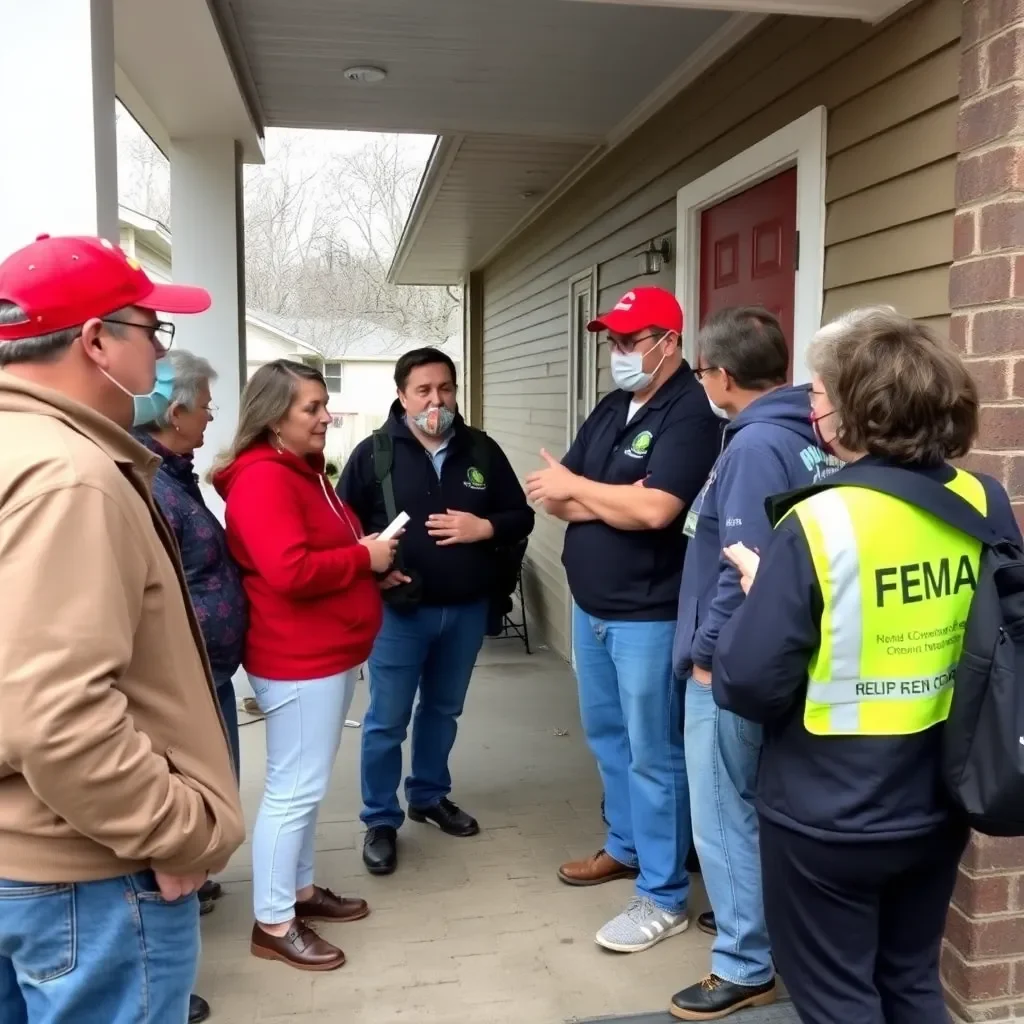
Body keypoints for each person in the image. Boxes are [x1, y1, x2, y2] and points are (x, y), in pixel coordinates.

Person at [713, 306, 1021, 1024]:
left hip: (828, 818)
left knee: (837, 1000)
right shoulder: (983, 500)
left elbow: (748, 682)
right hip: (943, 797)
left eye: (817, 394)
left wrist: (763, 599)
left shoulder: (820, 521)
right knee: (911, 982)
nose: (809, 406)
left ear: (857, 409)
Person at [0, 234, 245, 1024]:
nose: (159, 360)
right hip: (85, 877)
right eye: (151, 333)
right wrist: (177, 834)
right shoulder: (70, 477)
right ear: (96, 341)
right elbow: (59, 715)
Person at [526, 286, 721, 953]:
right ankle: (627, 846)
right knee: (608, 737)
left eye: (630, 341)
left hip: (649, 614)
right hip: (593, 608)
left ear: (669, 341)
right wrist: (604, 496)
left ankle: (662, 896)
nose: (617, 353)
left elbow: (658, 511)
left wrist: (587, 491)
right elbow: (557, 498)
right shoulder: (614, 406)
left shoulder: (690, 414)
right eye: (611, 340)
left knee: (654, 755)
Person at [668, 307, 840, 1020]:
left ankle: (744, 963)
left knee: (721, 809)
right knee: (755, 802)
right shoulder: (809, 434)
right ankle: (757, 924)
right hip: (786, 658)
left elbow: (745, 565)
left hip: (733, 666)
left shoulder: (752, 446)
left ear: (723, 376)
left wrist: (708, 657)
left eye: (703, 371)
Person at [212, 359, 396, 972]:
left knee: (307, 786)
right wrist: (362, 560)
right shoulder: (265, 479)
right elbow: (289, 571)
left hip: (327, 653)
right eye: (310, 408)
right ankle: (272, 920)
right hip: (296, 659)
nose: (325, 416)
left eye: (323, 405)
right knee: (293, 789)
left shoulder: (304, 472)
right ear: (273, 417)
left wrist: (370, 565)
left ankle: (300, 890)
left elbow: (321, 552)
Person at [338, 347, 534, 875]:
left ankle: (427, 795)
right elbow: (340, 526)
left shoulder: (481, 451)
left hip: (465, 611)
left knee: (443, 711)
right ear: (402, 394)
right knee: (386, 720)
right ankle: (381, 818)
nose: (436, 400)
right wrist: (373, 565)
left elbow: (520, 515)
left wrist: (484, 527)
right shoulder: (374, 453)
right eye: (423, 390)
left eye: (445, 388)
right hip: (401, 613)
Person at [136, 349, 247, 1024]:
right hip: (181, 683)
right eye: (204, 404)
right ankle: (159, 968)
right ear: (173, 411)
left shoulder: (174, 473)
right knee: (180, 813)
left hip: (208, 672)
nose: (210, 416)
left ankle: (190, 885)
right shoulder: (147, 483)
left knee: (212, 794)